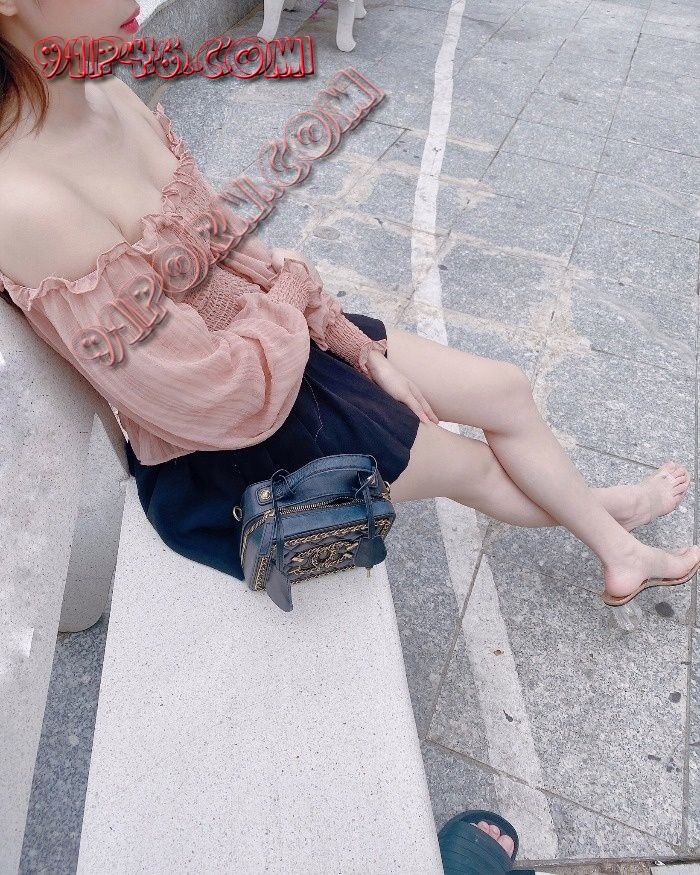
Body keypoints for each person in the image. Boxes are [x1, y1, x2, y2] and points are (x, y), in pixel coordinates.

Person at [1, 0, 698, 608]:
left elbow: (223, 245)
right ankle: (618, 528)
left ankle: (611, 533)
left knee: (505, 390)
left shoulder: (104, 86)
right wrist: (295, 292)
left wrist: (346, 338)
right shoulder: (23, 200)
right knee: (477, 468)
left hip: (276, 347)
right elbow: (212, 394)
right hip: (231, 440)